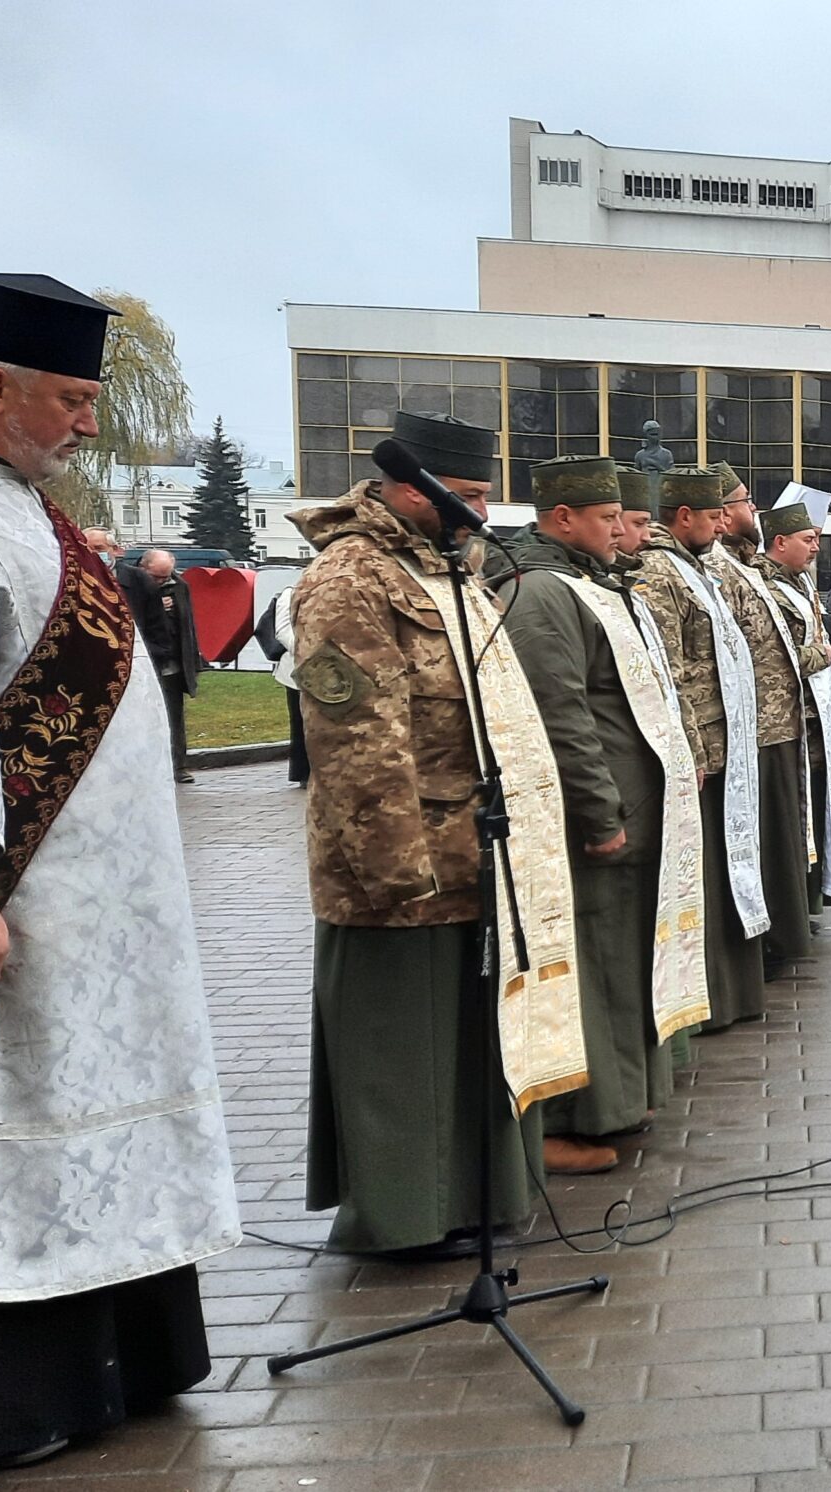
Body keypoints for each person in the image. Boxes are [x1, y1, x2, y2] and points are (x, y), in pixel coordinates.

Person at [0, 271, 239, 1485]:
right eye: (75, 399)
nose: (93, 422)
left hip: (96, 920)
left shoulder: (26, 506)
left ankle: (114, 1368)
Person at [289, 411, 595, 1269]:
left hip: (473, 851)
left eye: (484, 498)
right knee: (402, 1052)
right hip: (398, 869)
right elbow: (354, 738)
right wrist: (397, 872)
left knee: (464, 1047)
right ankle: (402, 1216)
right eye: (460, 498)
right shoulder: (350, 581)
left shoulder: (441, 571)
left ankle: (468, 1201)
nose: (477, 516)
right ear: (402, 488)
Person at [492, 456, 705, 1149]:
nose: (623, 533)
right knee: (589, 967)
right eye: (609, 519)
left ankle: (622, 1098)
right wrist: (600, 812)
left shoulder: (592, 583)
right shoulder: (541, 592)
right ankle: (578, 1117)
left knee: (622, 962)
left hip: (637, 817)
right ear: (564, 518)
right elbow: (562, 716)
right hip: (598, 822)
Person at [640, 466, 771, 1031]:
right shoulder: (659, 572)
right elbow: (667, 669)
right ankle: (708, 994)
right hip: (701, 750)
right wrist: (690, 748)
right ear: (683, 516)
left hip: (725, 743)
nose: (721, 526)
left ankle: (729, 989)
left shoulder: (696, 567)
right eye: (712, 516)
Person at [704, 472, 821, 976]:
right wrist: (820, 652)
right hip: (755, 729)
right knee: (766, 839)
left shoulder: (749, 568)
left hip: (782, 723)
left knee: (785, 836)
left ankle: (786, 929)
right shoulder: (725, 569)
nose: (753, 509)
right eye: (745, 502)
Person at [754, 489, 831, 923]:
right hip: (786, 721)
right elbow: (783, 653)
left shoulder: (801, 581)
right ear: (779, 542)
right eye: (808, 538)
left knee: (815, 810)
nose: (815, 546)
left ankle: (812, 897)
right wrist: (823, 649)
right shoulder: (766, 585)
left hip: (814, 721)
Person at [122, 546, 203, 782]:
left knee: (173, 716)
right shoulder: (130, 583)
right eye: (156, 577)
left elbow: (187, 625)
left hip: (173, 662)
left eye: (165, 576)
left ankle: (178, 765)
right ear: (142, 568)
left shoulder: (179, 586)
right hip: (144, 659)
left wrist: (192, 660)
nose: (161, 581)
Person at [254, 579, 310, 785]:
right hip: (296, 667)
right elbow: (283, 631)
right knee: (300, 721)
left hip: (328, 667)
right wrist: (310, 651)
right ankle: (302, 772)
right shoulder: (291, 593)